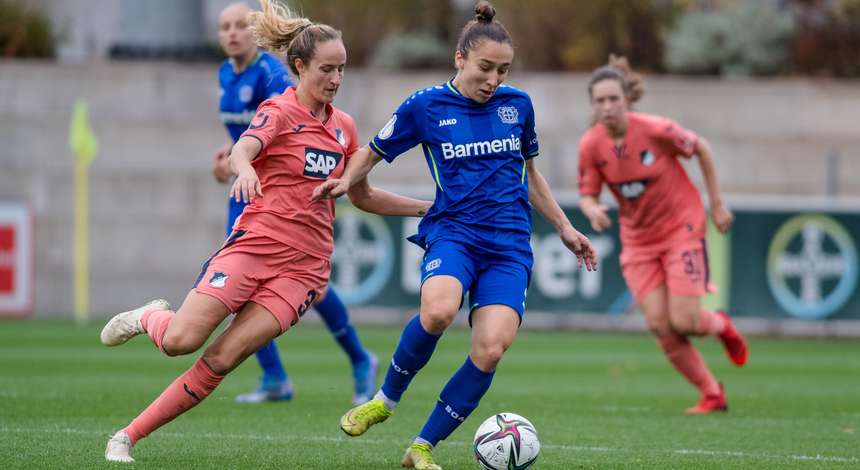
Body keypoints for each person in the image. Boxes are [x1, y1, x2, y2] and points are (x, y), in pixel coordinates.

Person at [100, 1, 430, 462]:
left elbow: (362, 196)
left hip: (303, 273)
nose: (335, 80)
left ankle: (127, 436)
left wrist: (430, 209)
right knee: (180, 342)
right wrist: (244, 171)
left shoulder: (344, 129)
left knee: (222, 360)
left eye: (342, 70)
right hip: (253, 248)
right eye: (326, 69)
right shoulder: (278, 110)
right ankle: (149, 318)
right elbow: (244, 149)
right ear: (299, 67)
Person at [312, 3, 598, 469]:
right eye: (485, 67)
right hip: (454, 233)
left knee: (490, 349)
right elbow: (374, 150)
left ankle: (422, 447)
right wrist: (347, 180)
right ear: (460, 58)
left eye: (502, 70)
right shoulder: (425, 105)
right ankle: (385, 399)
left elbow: (530, 175)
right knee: (440, 310)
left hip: (509, 246)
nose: (493, 80)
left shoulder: (518, 106)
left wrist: (565, 227)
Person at [213, 2, 378, 406]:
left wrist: (244, 159)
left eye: (240, 26)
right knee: (246, 285)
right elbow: (246, 133)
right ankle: (275, 376)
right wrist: (229, 156)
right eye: (225, 27)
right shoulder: (225, 74)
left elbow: (283, 129)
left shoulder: (270, 76)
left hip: (282, 190)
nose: (233, 33)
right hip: (249, 190)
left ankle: (358, 358)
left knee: (309, 287)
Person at [577, 55, 749, 414]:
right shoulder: (591, 145)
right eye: (600, 101)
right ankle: (712, 393)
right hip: (639, 240)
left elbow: (700, 147)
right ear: (592, 105)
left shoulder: (656, 130)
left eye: (613, 99)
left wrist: (717, 205)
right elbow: (588, 193)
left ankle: (722, 326)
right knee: (659, 324)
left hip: (680, 228)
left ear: (626, 100)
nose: (607, 107)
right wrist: (592, 209)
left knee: (685, 320)